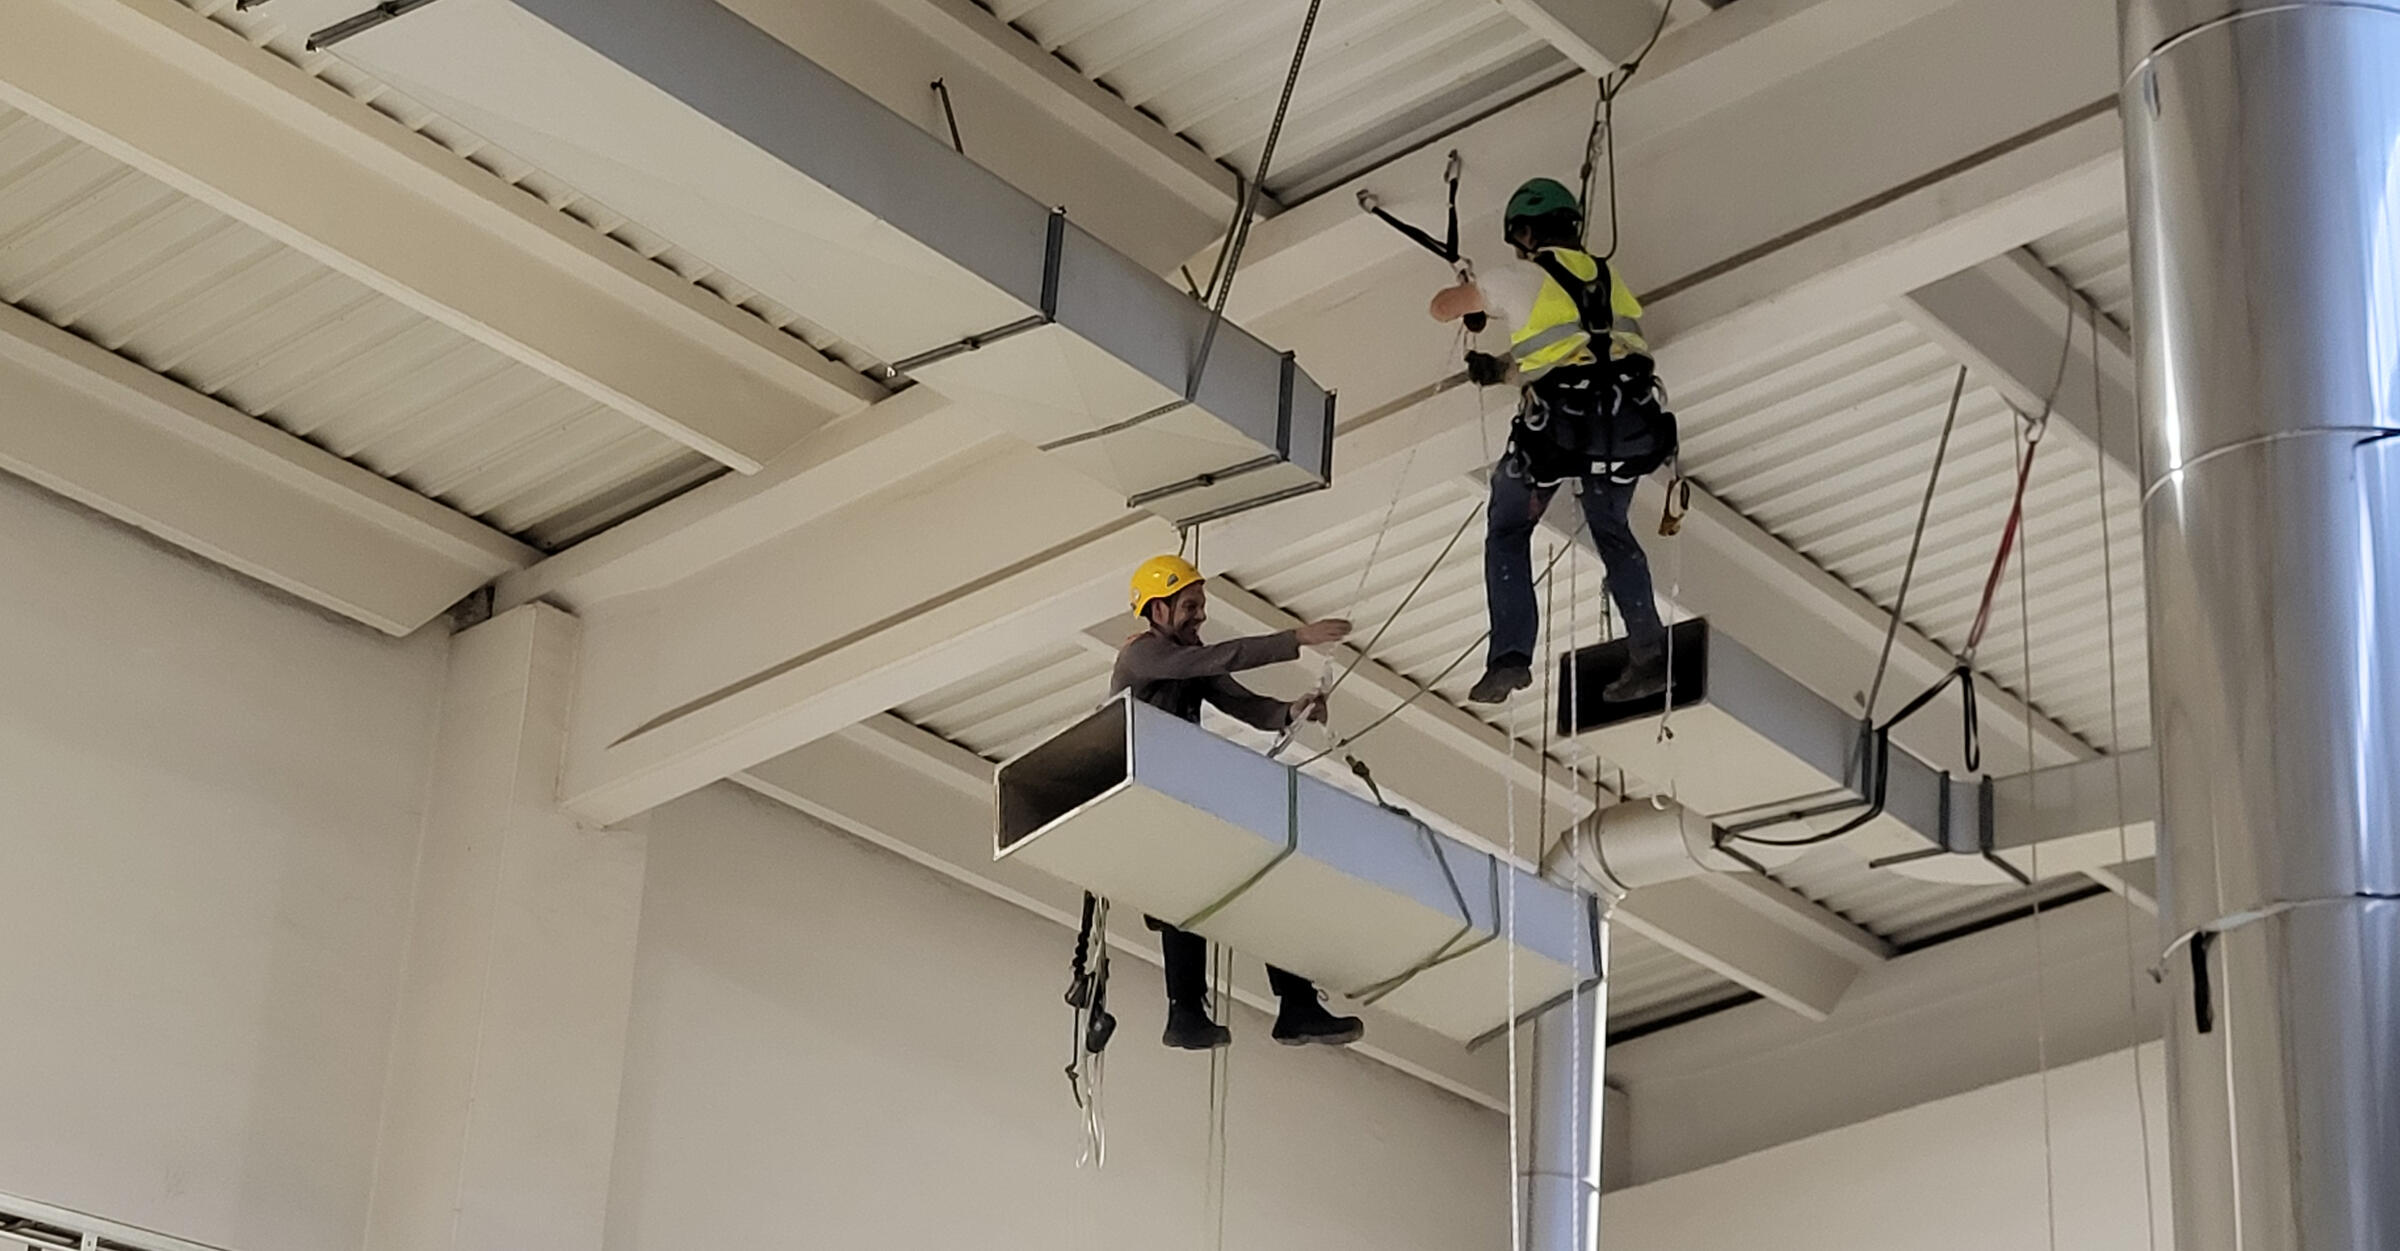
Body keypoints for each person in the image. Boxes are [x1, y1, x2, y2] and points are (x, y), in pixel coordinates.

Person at [1429, 177, 1676, 706]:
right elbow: (1584, 357)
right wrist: (1501, 371)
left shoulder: (1517, 276)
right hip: (1628, 431)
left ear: (1524, 233)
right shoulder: (1611, 280)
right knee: (1613, 531)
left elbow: (1442, 307)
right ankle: (1649, 654)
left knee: (1508, 529)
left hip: (1557, 437)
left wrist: (1474, 288)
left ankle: (1510, 659)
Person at [1112, 554, 1368, 1051]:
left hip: (1178, 800)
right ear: (1158, 610)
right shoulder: (1142, 656)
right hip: (1150, 803)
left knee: (1257, 881)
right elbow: (1220, 660)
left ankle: (1295, 1003)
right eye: (1190, 606)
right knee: (1184, 895)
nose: (1200, 615)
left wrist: (1289, 711)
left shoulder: (1187, 657)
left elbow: (1238, 701)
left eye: (1200, 606)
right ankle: (1185, 1012)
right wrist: (1295, 639)